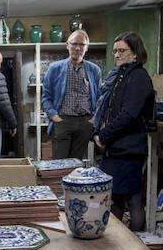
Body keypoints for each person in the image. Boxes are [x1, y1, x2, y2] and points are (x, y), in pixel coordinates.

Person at [93, 31, 155, 232]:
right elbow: (110, 110)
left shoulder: (138, 77)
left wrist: (103, 135)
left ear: (135, 53)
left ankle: (136, 247)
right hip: (117, 148)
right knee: (115, 199)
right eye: (115, 51)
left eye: (122, 51)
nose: (117, 55)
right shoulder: (121, 76)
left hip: (129, 149)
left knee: (133, 198)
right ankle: (117, 243)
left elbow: (128, 114)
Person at [41, 29, 103, 160]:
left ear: (86, 48)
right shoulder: (54, 68)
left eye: (82, 45)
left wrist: (93, 119)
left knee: (77, 163)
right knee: (59, 163)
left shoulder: (94, 70)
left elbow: (99, 98)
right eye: (74, 44)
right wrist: (53, 115)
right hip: (63, 121)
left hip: (85, 121)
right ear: (67, 45)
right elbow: (46, 96)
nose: (77, 48)